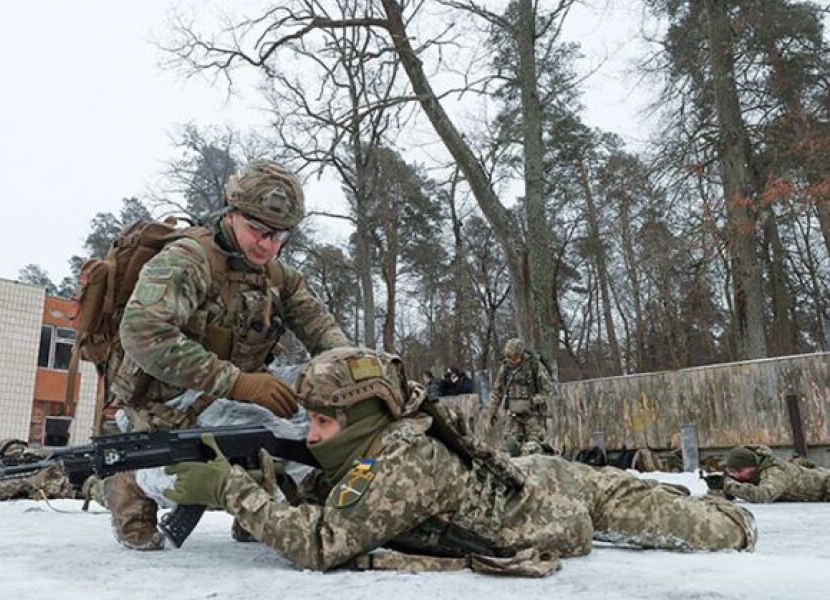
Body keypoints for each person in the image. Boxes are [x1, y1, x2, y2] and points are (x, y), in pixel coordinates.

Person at [163, 347, 756, 575]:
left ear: (365, 419)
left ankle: (731, 506)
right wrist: (257, 478)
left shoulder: (403, 458)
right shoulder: (374, 449)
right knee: (619, 484)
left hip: (557, 501)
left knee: (716, 533)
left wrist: (230, 491)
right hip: (526, 479)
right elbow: (329, 506)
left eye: (322, 422)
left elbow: (320, 545)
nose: (311, 437)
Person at [104, 159, 351, 550]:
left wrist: (361, 380)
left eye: (279, 236)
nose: (267, 245)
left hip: (233, 396)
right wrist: (237, 382)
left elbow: (324, 333)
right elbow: (141, 333)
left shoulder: (277, 276)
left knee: (328, 409)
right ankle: (134, 479)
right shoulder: (186, 260)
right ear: (231, 213)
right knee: (265, 429)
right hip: (168, 404)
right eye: (257, 230)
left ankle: (265, 504)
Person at [487, 338, 553, 456]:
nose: (512, 361)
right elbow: (497, 391)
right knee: (510, 449)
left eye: (514, 358)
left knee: (533, 450)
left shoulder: (534, 365)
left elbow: (548, 390)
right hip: (513, 416)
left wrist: (534, 401)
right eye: (509, 358)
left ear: (520, 355)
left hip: (533, 415)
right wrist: (492, 411)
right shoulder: (506, 368)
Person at [706, 445, 830, 503]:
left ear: (753, 466)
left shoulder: (774, 471)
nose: (736, 476)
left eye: (739, 471)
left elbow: (764, 495)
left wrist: (729, 486)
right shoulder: (754, 472)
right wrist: (718, 488)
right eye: (733, 472)